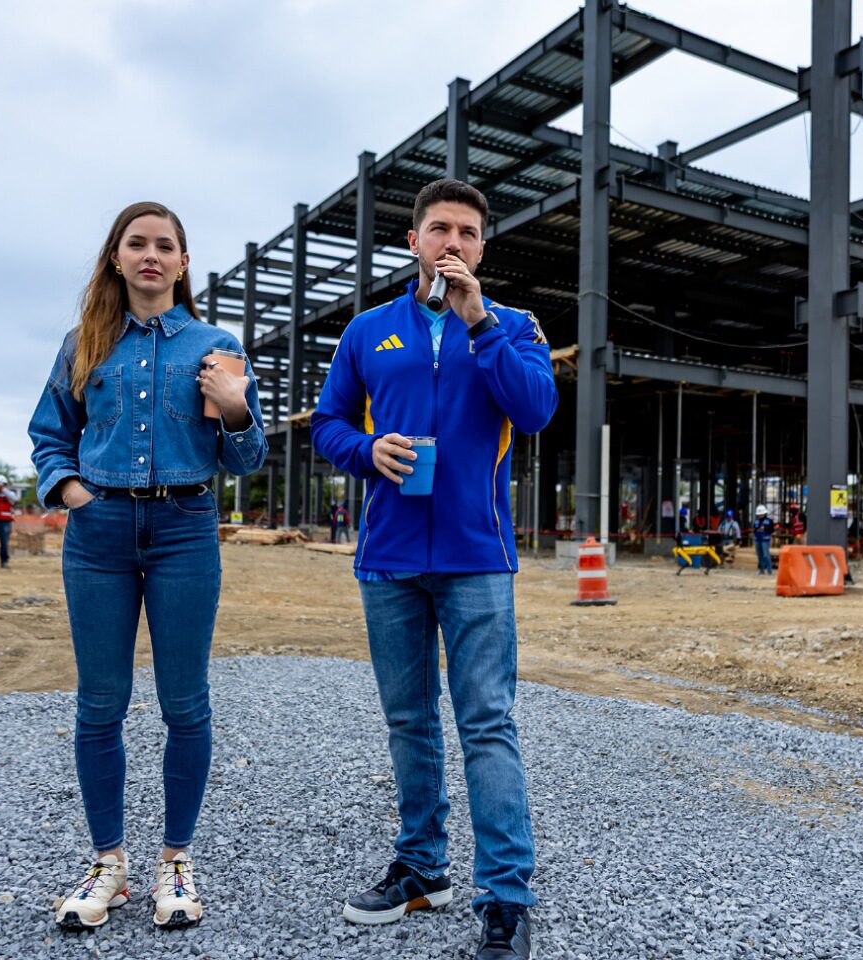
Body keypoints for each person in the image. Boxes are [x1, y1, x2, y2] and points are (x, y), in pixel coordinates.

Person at [313, 178, 555, 960]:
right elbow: (326, 423)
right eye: (441, 229)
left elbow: (536, 410)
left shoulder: (514, 326)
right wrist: (366, 450)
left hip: (476, 557)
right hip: (388, 558)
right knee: (409, 720)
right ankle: (421, 868)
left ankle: (506, 898)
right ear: (414, 240)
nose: (454, 242)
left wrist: (479, 321)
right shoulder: (368, 331)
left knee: (486, 723)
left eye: (468, 232)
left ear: (483, 247)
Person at [28, 201, 266, 932]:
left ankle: (175, 861)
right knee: (99, 704)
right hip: (97, 535)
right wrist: (71, 491)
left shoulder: (216, 346)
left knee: (184, 705)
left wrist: (235, 408)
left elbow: (246, 458)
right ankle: (108, 863)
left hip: (185, 530)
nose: (152, 255)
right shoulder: (84, 344)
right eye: (138, 244)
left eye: (166, 245)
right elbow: (49, 435)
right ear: (117, 257)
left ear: (184, 262)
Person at [753, 505, 775, 575]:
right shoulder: (756, 521)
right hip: (757, 539)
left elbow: (772, 530)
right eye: (759, 514)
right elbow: (754, 529)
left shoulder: (769, 521)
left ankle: (769, 570)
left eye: (761, 514)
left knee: (766, 555)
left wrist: (765, 529)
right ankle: (761, 570)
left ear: (764, 513)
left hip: (765, 540)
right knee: (759, 555)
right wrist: (757, 530)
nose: (759, 515)